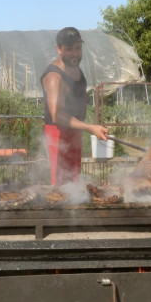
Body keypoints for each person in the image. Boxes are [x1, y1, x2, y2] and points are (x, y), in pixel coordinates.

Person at [40, 27, 109, 185]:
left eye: (78, 48)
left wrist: (83, 128)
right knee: (58, 187)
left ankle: (74, 210)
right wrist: (90, 127)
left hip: (74, 132)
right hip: (57, 135)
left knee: (73, 182)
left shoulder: (75, 68)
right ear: (59, 49)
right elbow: (57, 115)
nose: (74, 53)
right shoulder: (53, 76)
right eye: (69, 49)